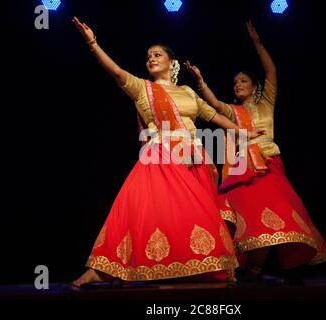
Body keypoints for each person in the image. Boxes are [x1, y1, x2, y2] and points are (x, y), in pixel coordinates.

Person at [70, 17, 267, 287]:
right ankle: (104, 269)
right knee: (135, 209)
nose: (151, 58)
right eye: (148, 56)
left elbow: (212, 115)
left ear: (172, 63)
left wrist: (242, 132)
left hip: (194, 160)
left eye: (157, 54)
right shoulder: (143, 88)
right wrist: (92, 43)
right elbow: (116, 72)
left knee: (190, 216)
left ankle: (196, 270)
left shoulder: (187, 91)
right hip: (160, 156)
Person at [185, 21, 326, 282]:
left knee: (280, 213)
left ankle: (269, 269)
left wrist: (258, 45)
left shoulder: (266, 104)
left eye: (243, 81)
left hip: (269, 164)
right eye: (235, 82)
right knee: (250, 218)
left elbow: (271, 71)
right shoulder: (233, 111)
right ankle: (252, 271)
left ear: (254, 86)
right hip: (243, 170)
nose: (238, 85)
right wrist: (200, 81)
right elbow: (214, 104)